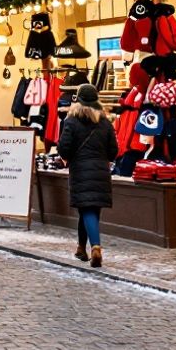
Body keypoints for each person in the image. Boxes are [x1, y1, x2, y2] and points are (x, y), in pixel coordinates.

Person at [56, 83, 118, 267]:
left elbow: (64, 148)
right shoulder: (105, 122)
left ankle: (96, 247)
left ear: (78, 100)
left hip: (81, 169)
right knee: (90, 208)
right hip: (100, 170)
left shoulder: (72, 121)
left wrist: (68, 156)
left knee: (87, 208)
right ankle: (81, 248)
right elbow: (113, 150)